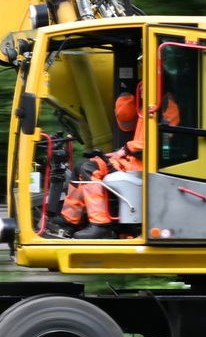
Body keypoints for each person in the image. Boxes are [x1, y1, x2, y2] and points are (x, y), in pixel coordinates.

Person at [49, 86, 179, 239]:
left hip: (143, 164)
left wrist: (127, 149)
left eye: (145, 86)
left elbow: (164, 141)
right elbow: (125, 119)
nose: (143, 90)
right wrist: (126, 97)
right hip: (132, 159)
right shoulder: (148, 105)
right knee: (81, 166)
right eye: (141, 87)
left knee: (89, 169)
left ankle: (100, 225)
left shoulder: (167, 106)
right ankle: (69, 221)